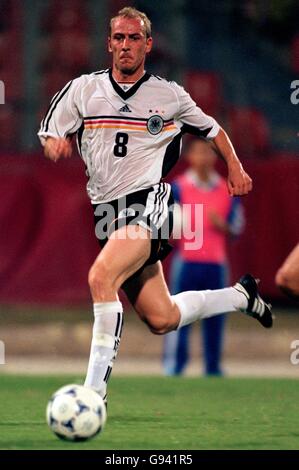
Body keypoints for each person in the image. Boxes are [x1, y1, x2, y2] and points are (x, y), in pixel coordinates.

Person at [38, 7, 273, 407]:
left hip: (149, 204)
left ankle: (93, 396)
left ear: (148, 44)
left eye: (133, 38)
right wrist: (54, 144)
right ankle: (241, 296)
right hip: (106, 215)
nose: (124, 46)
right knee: (161, 318)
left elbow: (212, 129)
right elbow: (50, 132)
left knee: (100, 278)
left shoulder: (169, 95)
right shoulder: (82, 89)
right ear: (108, 43)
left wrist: (235, 166)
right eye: (118, 38)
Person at [163, 138, 245, 376]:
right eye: (199, 152)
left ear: (215, 157)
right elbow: (167, 223)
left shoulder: (227, 189)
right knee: (179, 315)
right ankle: (175, 366)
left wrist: (223, 227)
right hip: (186, 262)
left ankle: (213, 366)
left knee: (216, 317)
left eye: (208, 153)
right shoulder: (178, 188)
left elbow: (237, 227)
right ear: (189, 156)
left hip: (215, 264)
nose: (204, 158)